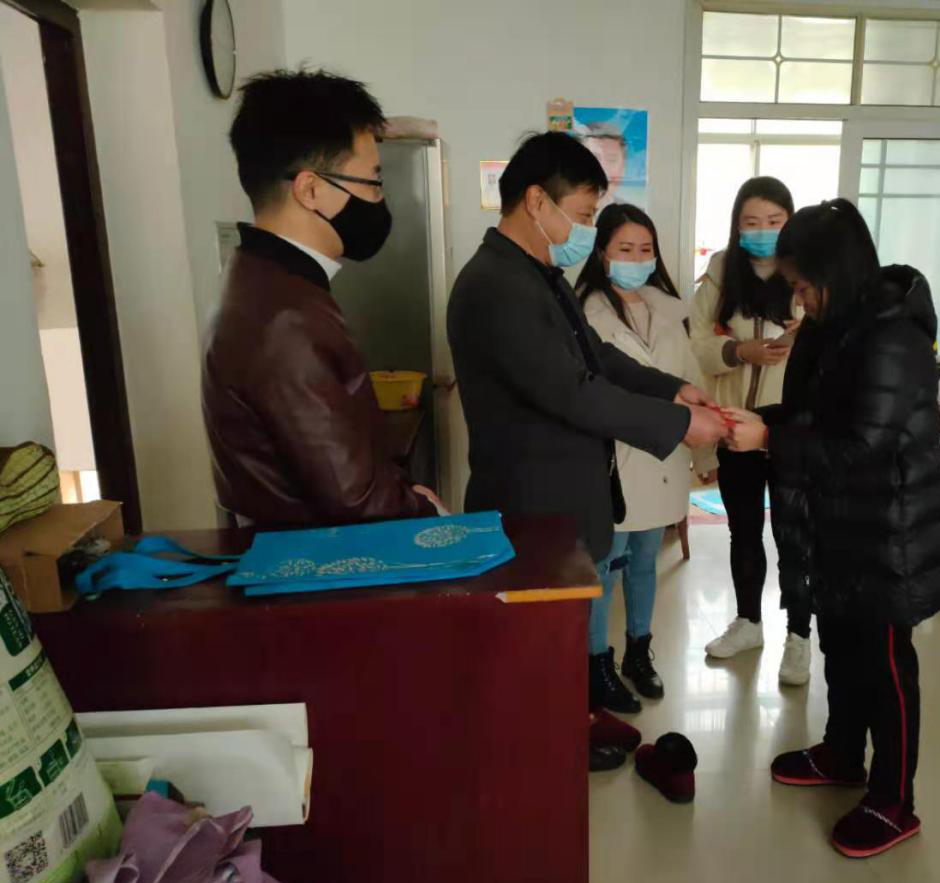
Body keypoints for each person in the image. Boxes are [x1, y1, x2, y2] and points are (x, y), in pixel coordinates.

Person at [446, 133, 728, 768]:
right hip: (532, 502)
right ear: (535, 201)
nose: (586, 229)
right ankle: (547, 747)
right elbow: (572, 392)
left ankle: (568, 722)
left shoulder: (537, 274)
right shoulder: (497, 286)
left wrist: (672, 388)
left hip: (563, 499)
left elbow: (595, 358)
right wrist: (679, 424)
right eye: (582, 214)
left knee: (559, 637)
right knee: (536, 644)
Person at [724, 199, 940, 858]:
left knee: (885, 664)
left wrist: (769, 438)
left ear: (836, 271)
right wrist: (754, 419)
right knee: (841, 645)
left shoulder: (893, 337)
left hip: (888, 530)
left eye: (803, 285)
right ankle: (843, 752)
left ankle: (895, 800)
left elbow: (864, 444)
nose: (797, 299)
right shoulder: (833, 326)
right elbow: (812, 414)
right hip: (839, 521)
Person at [202, 69, 443, 526]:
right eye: (372, 181)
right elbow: (353, 498)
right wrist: (425, 507)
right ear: (311, 190)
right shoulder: (283, 316)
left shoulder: (264, 280)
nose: (379, 198)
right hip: (318, 557)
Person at [576, 204, 706, 713]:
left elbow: (691, 378)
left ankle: (638, 652)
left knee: (646, 561)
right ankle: (597, 663)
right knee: (605, 565)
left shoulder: (669, 309)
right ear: (601, 254)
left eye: (645, 249)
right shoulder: (586, 312)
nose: (636, 259)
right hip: (614, 460)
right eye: (624, 249)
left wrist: (705, 450)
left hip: (665, 455)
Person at [689, 177, 810, 684]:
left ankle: (799, 636)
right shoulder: (722, 271)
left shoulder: (807, 270)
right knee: (743, 528)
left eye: (774, 221)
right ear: (737, 226)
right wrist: (739, 351)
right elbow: (696, 341)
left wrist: (800, 340)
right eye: (751, 222)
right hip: (736, 423)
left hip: (791, 427)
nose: (763, 231)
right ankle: (748, 623)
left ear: (790, 222)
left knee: (793, 534)